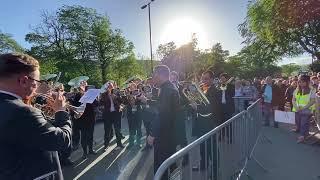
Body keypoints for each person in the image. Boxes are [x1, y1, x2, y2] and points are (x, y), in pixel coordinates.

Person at [0, 53, 72, 180]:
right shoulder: (23, 112)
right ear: (23, 81)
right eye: (37, 82)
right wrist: (61, 111)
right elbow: (62, 141)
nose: (37, 87)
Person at [147, 65, 180, 179]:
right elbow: (162, 107)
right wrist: (146, 100)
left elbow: (162, 114)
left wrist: (152, 134)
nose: (152, 77)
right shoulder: (169, 87)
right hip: (170, 134)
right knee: (170, 164)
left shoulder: (167, 89)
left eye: (154, 74)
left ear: (160, 75)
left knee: (161, 166)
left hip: (164, 136)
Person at [100, 82, 124, 150]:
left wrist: (116, 96)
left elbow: (122, 101)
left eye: (111, 86)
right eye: (108, 86)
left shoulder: (117, 92)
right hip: (107, 115)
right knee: (107, 130)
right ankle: (106, 145)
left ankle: (119, 144)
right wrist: (108, 95)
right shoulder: (104, 94)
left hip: (116, 114)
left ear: (113, 86)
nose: (110, 87)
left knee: (118, 130)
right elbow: (101, 102)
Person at [292, 75, 316, 143]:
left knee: (303, 123)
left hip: (306, 110)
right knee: (298, 123)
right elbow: (293, 99)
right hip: (297, 109)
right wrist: (296, 107)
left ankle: (302, 136)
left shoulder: (312, 90)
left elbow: (312, 101)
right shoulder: (297, 89)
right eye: (299, 82)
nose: (301, 83)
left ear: (307, 82)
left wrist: (304, 107)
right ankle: (306, 133)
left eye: (303, 82)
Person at [78, 86, 98, 159]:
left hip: (91, 119)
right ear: (86, 91)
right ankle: (84, 152)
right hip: (83, 120)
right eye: (89, 90)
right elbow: (77, 105)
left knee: (90, 135)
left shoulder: (93, 98)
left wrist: (94, 98)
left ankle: (90, 150)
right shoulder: (81, 96)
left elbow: (97, 104)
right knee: (84, 137)